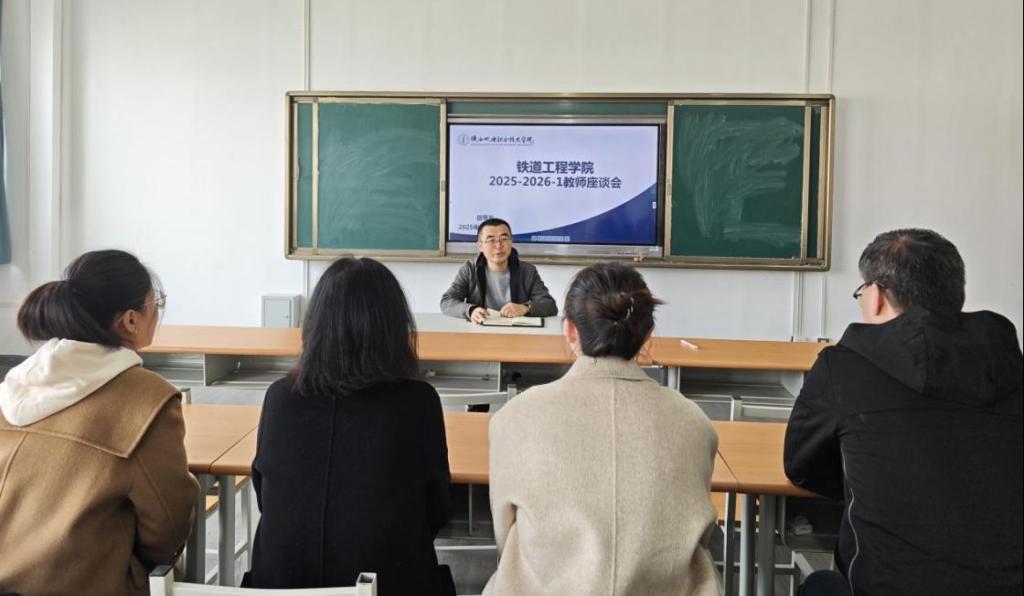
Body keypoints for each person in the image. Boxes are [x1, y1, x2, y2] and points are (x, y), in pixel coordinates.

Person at [784, 229, 1023, 596]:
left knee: (819, 585)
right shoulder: (1011, 365)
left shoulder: (843, 366)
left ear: (877, 296)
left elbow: (802, 466)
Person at [484, 263, 720, 596]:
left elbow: (504, 533)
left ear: (570, 331)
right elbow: (700, 532)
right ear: (648, 335)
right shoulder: (694, 422)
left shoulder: (513, 417)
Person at [243, 257, 454, 595]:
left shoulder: (281, 397)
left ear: (315, 325)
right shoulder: (418, 402)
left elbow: (265, 496)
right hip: (390, 585)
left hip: (280, 587)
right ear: (393, 327)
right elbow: (438, 508)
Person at [0, 249, 198, 596]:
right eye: (156, 304)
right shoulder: (148, 399)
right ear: (131, 320)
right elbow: (168, 525)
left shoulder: (15, 382)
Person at [441, 217, 557, 323]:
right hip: (480, 330)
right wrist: (471, 310)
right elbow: (447, 301)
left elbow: (549, 305)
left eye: (504, 239)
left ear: (511, 242)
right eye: (491, 240)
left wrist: (525, 308)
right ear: (480, 245)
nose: (498, 245)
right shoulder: (470, 270)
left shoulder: (527, 271)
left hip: (517, 332)